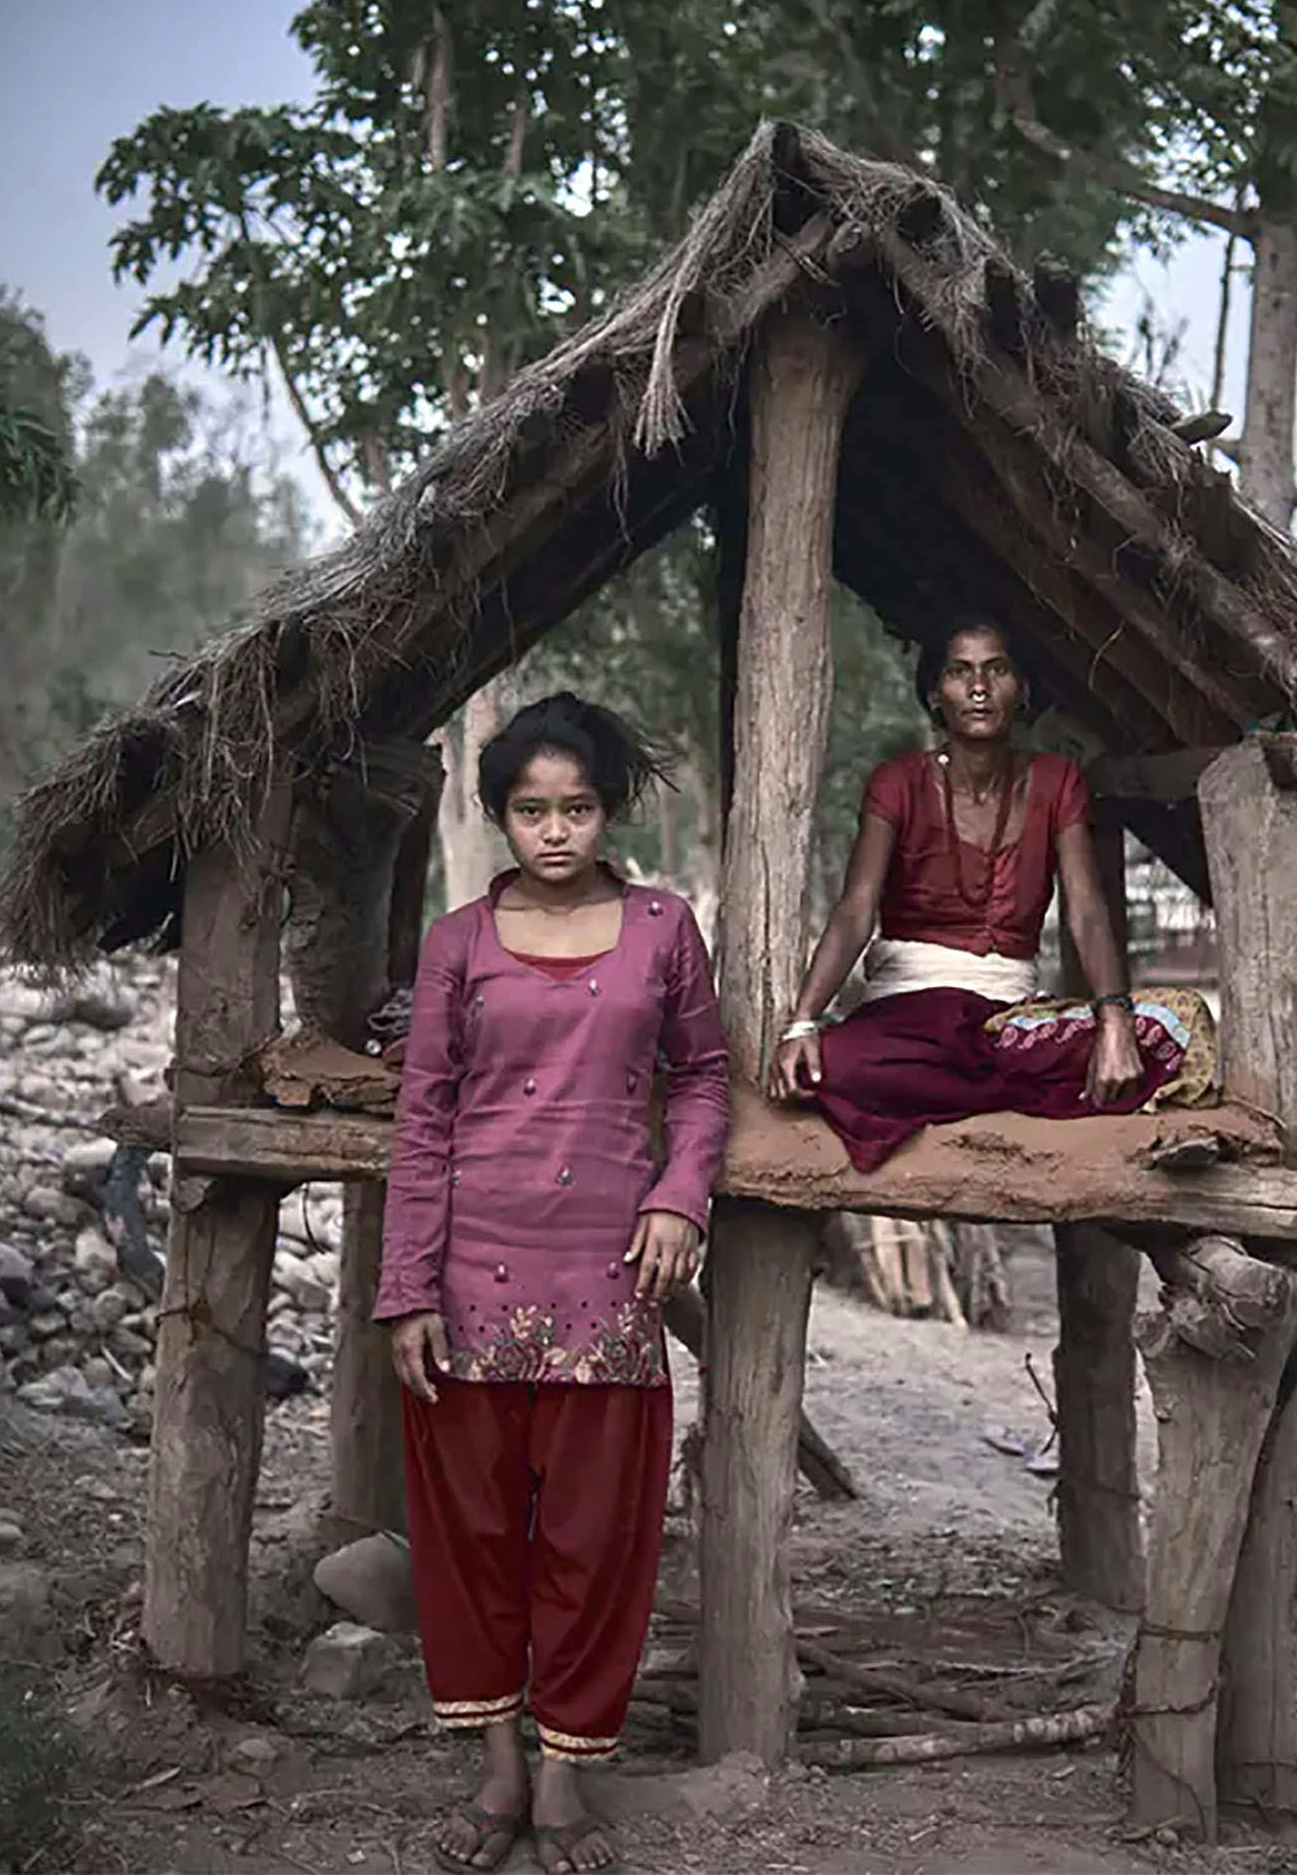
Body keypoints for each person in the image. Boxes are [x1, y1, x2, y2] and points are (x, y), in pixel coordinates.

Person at [375, 693, 727, 1874]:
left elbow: (703, 1078)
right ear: (499, 816)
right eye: (531, 810)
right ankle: (497, 1769)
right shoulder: (457, 944)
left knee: (592, 1538)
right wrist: (406, 1287)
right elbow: (422, 1119)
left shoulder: (663, 929)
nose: (556, 831)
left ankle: (569, 1774)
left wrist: (680, 1195)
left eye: (577, 807)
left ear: (608, 809)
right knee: (474, 1539)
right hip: (468, 1280)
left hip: (609, 1280)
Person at [767, 617, 1213, 1169]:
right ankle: (1024, 1094)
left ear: (1021, 689)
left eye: (996, 670)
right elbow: (855, 911)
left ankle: (964, 1089)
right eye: (960, 672)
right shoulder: (897, 783)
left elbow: (1086, 911)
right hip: (908, 1022)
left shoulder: (1058, 781)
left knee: (1177, 1022)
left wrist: (1115, 1019)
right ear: (935, 694)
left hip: (1011, 1027)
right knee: (831, 1065)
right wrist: (804, 1021)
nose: (979, 687)